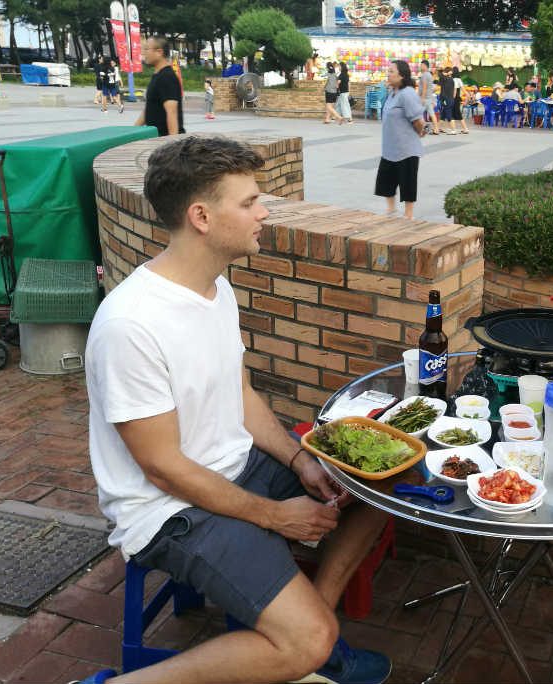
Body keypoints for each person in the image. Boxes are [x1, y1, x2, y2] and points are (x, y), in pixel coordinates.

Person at [72, 136, 392, 684]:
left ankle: (312, 631)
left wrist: (299, 462)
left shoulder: (214, 287)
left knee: (380, 485)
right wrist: (274, 516)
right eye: (248, 202)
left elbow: (239, 395)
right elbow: (162, 467)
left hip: (235, 467)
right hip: (169, 512)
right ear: (201, 215)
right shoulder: (131, 324)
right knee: (308, 639)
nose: (263, 212)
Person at [375, 60, 425, 219]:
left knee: (407, 182)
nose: (388, 74)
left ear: (402, 75)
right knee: (386, 180)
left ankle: (408, 215)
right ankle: (391, 210)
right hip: (390, 147)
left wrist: (421, 132)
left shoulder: (408, 93)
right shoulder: (392, 94)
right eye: (388, 71)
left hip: (406, 149)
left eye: (391, 71)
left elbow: (418, 120)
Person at [135, 36, 185, 136]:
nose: (144, 53)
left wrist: (172, 144)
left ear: (159, 52)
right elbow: (149, 108)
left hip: (165, 141)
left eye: (146, 49)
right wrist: (132, 131)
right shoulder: (157, 75)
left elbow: (172, 112)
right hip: (156, 139)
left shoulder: (167, 77)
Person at [417, 59, 440, 135]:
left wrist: (422, 98)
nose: (420, 66)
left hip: (425, 98)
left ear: (425, 66)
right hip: (429, 98)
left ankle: (422, 128)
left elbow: (424, 87)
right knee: (431, 114)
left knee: (419, 113)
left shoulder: (425, 75)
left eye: (421, 65)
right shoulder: (429, 75)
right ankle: (436, 129)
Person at [438, 66, 457, 135]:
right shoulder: (451, 79)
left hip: (446, 99)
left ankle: (453, 130)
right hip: (450, 99)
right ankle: (438, 129)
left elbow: (440, 76)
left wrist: (443, 72)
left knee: (449, 115)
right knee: (443, 115)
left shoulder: (446, 79)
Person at [451, 66, 470, 134]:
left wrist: (451, 99)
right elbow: (464, 91)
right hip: (458, 99)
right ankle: (465, 129)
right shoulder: (459, 79)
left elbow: (455, 90)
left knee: (452, 114)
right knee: (458, 114)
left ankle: (454, 130)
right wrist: (467, 98)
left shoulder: (454, 80)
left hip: (454, 99)